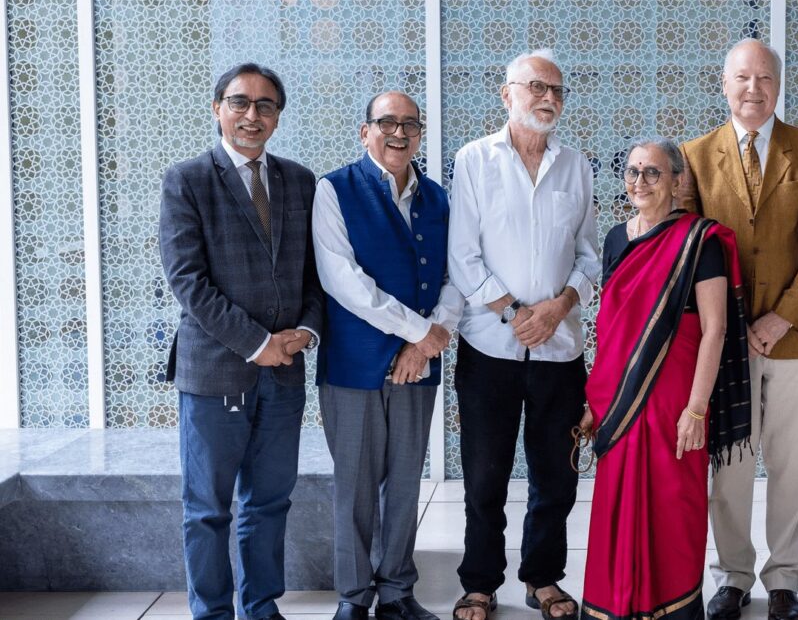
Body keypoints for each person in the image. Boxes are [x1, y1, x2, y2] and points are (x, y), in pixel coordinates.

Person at [681, 38, 798, 620]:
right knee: (731, 463)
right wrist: (724, 324)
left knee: (793, 463)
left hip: (797, 335)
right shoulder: (694, 156)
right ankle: (732, 576)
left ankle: (784, 581)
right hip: (723, 342)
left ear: (778, 85)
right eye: (742, 78)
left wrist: (781, 317)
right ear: (723, 84)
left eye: (765, 78)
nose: (754, 89)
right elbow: (689, 250)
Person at [159, 63, 323, 620]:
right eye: (239, 103)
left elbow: (315, 277)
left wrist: (305, 331)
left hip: (285, 375)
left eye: (265, 105)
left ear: (278, 116)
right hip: (215, 374)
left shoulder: (301, 181)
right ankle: (212, 613)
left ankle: (261, 607)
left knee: (270, 502)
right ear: (217, 109)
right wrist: (257, 343)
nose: (252, 116)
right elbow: (188, 282)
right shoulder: (188, 180)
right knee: (207, 509)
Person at [447, 49, 601, 620]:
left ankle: (542, 579)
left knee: (555, 476)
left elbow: (588, 255)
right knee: (485, 473)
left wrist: (559, 306)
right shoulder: (473, 160)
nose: (549, 98)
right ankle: (480, 583)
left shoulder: (576, 164)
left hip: (561, 348)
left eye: (558, 90)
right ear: (506, 92)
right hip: (490, 345)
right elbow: (462, 257)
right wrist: (517, 314)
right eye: (536, 86)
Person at [579, 137, 752, 620]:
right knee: (617, 503)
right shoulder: (615, 238)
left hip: (676, 400)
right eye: (632, 172)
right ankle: (614, 604)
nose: (640, 182)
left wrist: (697, 408)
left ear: (678, 180)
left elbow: (715, 329)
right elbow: (611, 330)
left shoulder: (702, 240)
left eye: (652, 172)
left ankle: (672, 607)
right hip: (619, 398)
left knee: (674, 505)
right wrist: (596, 398)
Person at [312, 91, 463, 620]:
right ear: (365, 131)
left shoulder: (441, 198)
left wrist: (428, 341)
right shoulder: (333, 189)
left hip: (419, 364)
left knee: (404, 481)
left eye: (410, 124)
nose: (399, 133)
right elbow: (343, 281)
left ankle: (397, 591)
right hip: (354, 363)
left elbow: (455, 276)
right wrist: (419, 334)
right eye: (387, 123)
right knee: (354, 484)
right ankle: (354, 597)